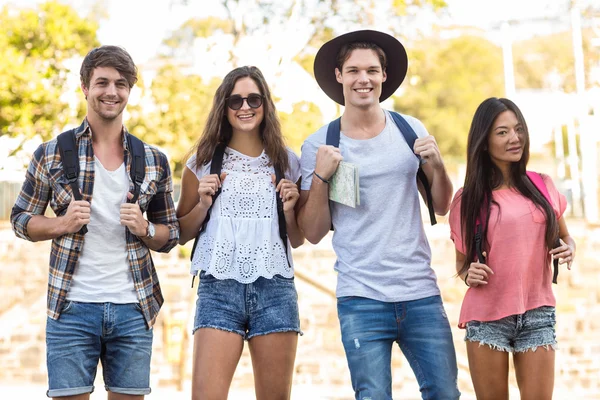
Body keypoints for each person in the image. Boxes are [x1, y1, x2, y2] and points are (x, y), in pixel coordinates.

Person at [297, 30, 460, 399]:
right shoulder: (319, 144)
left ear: (384, 76)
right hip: (361, 297)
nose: (363, 79)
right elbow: (313, 231)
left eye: (372, 70)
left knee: (446, 393)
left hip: (419, 291)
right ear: (338, 76)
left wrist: (437, 165)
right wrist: (322, 175)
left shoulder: (410, 130)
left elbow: (441, 205)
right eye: (353, 70)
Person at [10, 45, 180, 399]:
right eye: (102, 82)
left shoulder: (153, 160)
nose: (111, 91)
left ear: (130, 91)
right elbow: (20, 219)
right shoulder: (51, 153)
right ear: (85, 87)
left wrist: (144, 228)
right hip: (70, 308)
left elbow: (170, 235)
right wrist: (61, 225)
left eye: (121, 83)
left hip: (134, 308)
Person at [177, 65, 304, 400]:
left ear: (266, 105)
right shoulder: (201, 163)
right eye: (235, 101)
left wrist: (291, 210)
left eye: (253, 99)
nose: (245, 107)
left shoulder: (289, 163)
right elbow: (180, 231)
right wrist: (203, 204)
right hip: (218, 290)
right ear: (224, 107)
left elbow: (298, 238)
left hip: (275, 291)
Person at [448, 97, 576, 399]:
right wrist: (470, 274)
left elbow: (565, 236)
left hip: (538, 313)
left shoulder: (543, 185)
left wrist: (570, 248)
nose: (514, 138)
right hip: (488, 317)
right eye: (502, 132)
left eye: (518, 129)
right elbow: (462, 265)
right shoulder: (468, 199)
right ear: (484, 141)